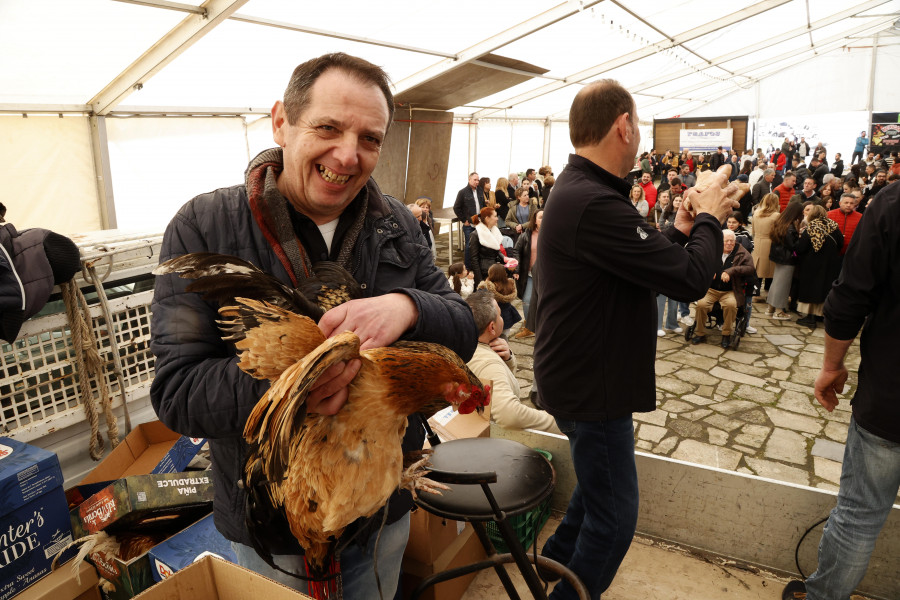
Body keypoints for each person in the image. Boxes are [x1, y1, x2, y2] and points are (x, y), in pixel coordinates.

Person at [149, 52, 477, 599]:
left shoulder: (394, 223)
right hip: (275, 525)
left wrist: (408, 306)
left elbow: (462, 327)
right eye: (328, 127)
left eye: (370, 139)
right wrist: (291, 387)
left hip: (381, 509)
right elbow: (178, 392)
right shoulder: (204, 226)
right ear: (281, 122)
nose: (348, 155)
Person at [533, 79, 735, 600]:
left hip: (576, 376)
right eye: (639, 125)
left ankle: (552, 565)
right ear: (623, 124)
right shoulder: (594, 201)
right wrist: (711, 217)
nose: (641, 135)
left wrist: (684, 231)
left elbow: (638, 263)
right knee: (615, 519)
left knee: (594, 493)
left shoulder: (582, 193)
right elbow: (691, 281)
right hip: (591, 387)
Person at [781, 180, 900, 600]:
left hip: (891, 399)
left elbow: (850, 296)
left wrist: (831, 365)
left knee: (859, 515)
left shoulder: (892, 203)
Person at [465, 289, 560, 434]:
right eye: (500, 315)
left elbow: (500, 384)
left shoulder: (467, 344)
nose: (502, 318)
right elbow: (509, 415)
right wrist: (557, 423)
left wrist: (508, 359)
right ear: (491, 327)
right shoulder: (488, 363)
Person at [691, 229, 755, 349]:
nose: (729, 243)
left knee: (731, 305)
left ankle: (726, 334)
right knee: (701, 305)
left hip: (730, 290)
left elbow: (750, 268)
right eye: (726, 241)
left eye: (732, 241)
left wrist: (731, 271)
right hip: (711, 289)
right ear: (721, 241)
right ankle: (700, 333)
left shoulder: (741, 252)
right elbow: (700, 263)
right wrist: (710, 271)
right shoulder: (713, 250)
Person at [795, 205, 843, 330]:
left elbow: (801, 248)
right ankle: (820, 315)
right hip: (831, 264)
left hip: (812, 264)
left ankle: (810, 317)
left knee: (811, 288)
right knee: (825, 288)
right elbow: (840, 244)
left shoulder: (811, 228)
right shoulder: (834, 226)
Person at [765, 201, 804, 321]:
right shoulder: (790, 227)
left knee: (777, 282)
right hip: (787, 258)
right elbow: (793, 246)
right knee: (783, 285)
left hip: (779, 256)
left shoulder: (781, 222)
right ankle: (779, 311)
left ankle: (771, 308)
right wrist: (801, 237)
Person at [513, 209, 543, 339]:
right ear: (535, 221)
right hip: (529, 273)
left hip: (545, 275)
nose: (544, 219)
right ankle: (529, 327)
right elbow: (516, 251)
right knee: (527, 300)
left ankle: (540, 325)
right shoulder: (526, 235)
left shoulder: (551, 234)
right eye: (541, 217)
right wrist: (517, 269)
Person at [469, 206, 509, 288]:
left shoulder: (494, 230)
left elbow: (496, 248)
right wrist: (480, 280)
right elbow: (474, 259)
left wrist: (504, 257)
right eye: (495, 216)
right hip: (484, 272)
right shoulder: (476, 235)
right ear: (487, 218)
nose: (497, 219)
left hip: (495, 270)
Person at [751, 193, 780, 302]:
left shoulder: (756, 213)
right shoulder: (776, 215)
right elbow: (778, 232)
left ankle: (755, 292)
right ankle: (768, 291)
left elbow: (753, 230)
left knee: (757, 267)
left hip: (758, 240)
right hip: (769, 242)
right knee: (770, 268)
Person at [454, 171, 485, 269]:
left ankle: (477, 266)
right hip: (469, 224)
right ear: (469, 179)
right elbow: (456, 207)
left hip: (480, 223)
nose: (477, 182)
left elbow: (483, 205)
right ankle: (467, 267)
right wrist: (464, 220)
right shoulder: (462, 192)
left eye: (478, 180)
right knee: (469, 245)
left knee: (480, 244)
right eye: (475, 180)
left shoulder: (480, 190)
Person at [478, 263, 520, 334]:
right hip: (507, 315)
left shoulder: (487, 286)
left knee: (493, 337)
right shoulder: (510, 284)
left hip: (493, 316)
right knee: (504, 336)